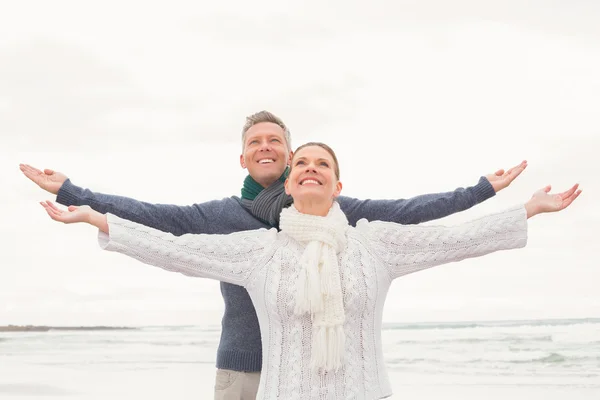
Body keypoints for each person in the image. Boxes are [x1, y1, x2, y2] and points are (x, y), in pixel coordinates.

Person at [21, 111, 528, 400]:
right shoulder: (231, 224)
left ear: (289, 158)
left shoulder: (343, 219)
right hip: (247, 369)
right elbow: (159, 228)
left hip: (321, 373)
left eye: (277, 142)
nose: (267, 148)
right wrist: (77, 196)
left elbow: (416, 215)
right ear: (244, 157)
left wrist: (483, 189)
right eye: (255, 142)